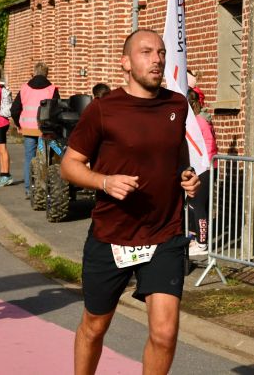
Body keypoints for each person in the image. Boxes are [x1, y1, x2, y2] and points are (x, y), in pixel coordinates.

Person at [61, 29, 200, 375]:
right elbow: (69, 165)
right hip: (112, 236)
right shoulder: (103, 110)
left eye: (161, 52)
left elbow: (177, 151)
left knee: (165, 334)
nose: (157, 59)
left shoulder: (176, 105)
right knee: (95, 326)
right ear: (125, 63)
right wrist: (104, 181)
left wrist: (185, 174)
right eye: (146, 52)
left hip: (164, 234)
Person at [11, 62, 59, 199]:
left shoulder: (24, 88)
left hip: (28, 130)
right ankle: (43, 189)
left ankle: (29, 189)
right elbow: (57, 110)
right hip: (45, 130)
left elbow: (14, 109)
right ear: (46, 74)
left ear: (34, 72)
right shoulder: (52, 89)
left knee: (29, 158)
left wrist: (18, 124)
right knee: (44, 159)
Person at [187, 88, 218, 256]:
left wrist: (203, 165)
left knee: (198, 205)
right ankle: (197, 238)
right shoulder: (200, 119)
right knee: (196, 204)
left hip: (204, 167)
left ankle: (202, 244)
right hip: (204, 166)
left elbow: (209, 145)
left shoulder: (199, 121)